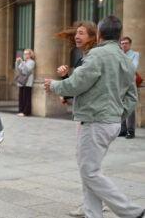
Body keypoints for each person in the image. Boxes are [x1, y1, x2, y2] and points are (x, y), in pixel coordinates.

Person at [45, 16, 145, 218]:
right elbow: (133, 96)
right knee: (90, 170)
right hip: (110, 122)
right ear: (118, 36)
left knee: (90, 172)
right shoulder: (125, 59)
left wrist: (54, 85)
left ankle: (131, 212)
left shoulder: (97, 55)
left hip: (95, 121)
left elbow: (77, 84)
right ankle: (93, 214)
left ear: (98, 34)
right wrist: (117, 114)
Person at [56, 21, 107, 218]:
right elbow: (78, 86)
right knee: (86, 160)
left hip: (92, 115)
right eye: (76, 33)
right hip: (83, 113)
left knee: (87, 161)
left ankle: (95, 203)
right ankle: (93, 202)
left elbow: (87, 87)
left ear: (92, 36)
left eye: (81, 33)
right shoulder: (82, 58)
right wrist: (65, 79)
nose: (77, 36)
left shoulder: (93, 58)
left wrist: (60, 86)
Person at [119, 36, 139, 139]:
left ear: (130, 44)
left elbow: (134, 67)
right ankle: (123, 130)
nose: (124, 45)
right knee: (120, 106)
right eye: (122, 43)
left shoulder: (135, 54)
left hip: (130, 84)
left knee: (130, 107)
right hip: (119, 84)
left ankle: (131, 131)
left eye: (126, 43)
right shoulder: (117, 55)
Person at [15, 49, 35, 116]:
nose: (25, 55)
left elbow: (27, 71)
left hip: (28, 82)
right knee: (21, 97)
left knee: (26, 98)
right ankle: (21, 110)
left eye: (27, 54)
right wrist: (17, 62)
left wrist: (22, 62)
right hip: (21, 82)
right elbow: (18, 69)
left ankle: (26, 112)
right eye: (24, 54)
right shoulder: (24, 62)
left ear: (30, 55)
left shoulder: (32, 62)